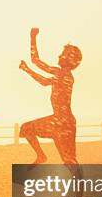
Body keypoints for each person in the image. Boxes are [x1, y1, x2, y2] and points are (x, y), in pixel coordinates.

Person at [19, 28, 82, 175]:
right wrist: (32, 40)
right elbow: (37, 63)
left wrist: (32, 38)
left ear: (69, 60)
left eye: (63, 55)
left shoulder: (63, 74)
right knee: (69, 161)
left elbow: (42, 77)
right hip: (61, 121)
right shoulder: (61, 73)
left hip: (62, 122)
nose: (59, 56)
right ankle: (41, 156)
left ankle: (41, 156)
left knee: (69, 161)